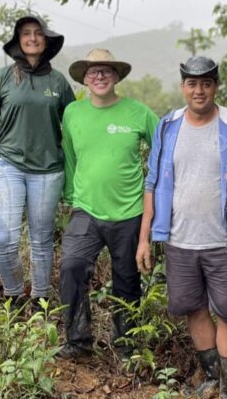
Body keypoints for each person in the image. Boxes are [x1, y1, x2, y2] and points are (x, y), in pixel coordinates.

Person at [136, 55, 227, 399]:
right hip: (178, 240)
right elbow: (153, 183)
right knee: (192, 307)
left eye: (206, 83)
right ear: (183, 87)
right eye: (192, 83)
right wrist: (145, 237)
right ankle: (211, 378)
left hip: (224, 240)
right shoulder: (168, 125)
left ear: (215, 86)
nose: (199, 90)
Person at [0, 15, 75, 307]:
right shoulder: (2, 78)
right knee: (4, 237)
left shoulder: (58, 82)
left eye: (38, 33)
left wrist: (79, 176)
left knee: (41, 240)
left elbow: (76, 129)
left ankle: (41, 300)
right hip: (6, 163)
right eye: (26, 33)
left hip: (48, 170)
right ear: (18, 41)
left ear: (46, 41)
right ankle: (14, 296)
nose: (32, 38)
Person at [58, 49, 159, 359]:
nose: (99, 76)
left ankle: (126, 344)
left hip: (129, 210)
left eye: (105, 71)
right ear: (85, 79)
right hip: (85, 209)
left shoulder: (139, 112)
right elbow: (70, 158)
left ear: (116, 76)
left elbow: (162, 153)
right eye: (93, 72)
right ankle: (78, 341)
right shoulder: (73, 113)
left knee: (127, 278)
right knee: (71, 265)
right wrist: (73, 198)